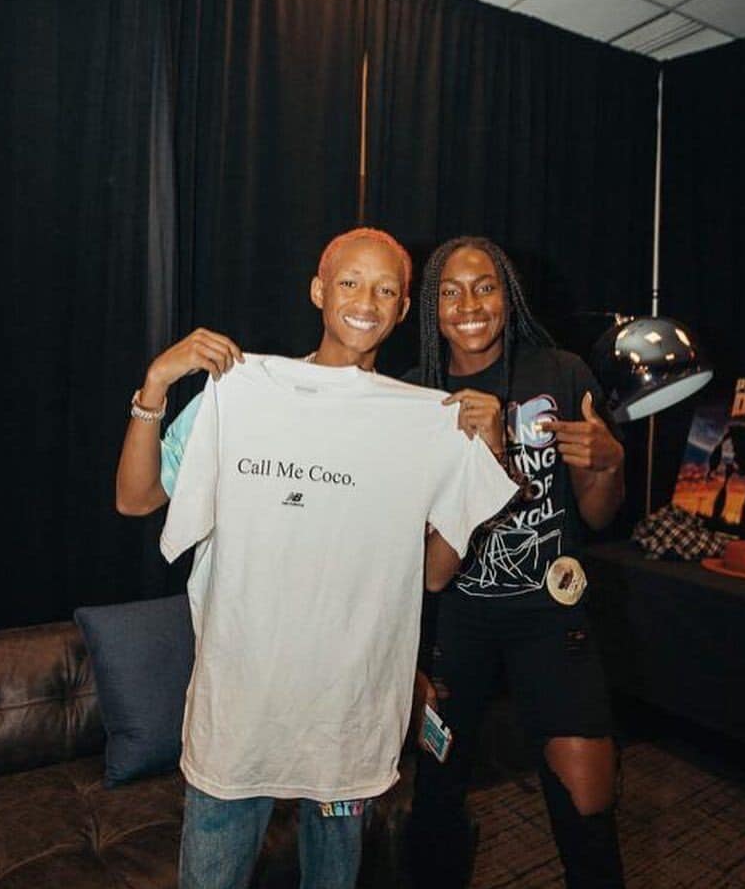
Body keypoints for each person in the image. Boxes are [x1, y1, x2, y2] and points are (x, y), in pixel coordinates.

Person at [115, 228, 519, 889]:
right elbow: (135, 501)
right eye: (351, 282)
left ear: (402, 306)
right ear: (318, 290)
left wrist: (488, 456)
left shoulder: (420, 422)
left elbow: (435, 572)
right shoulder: (239, 394)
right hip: (239, 705)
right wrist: (156, 385)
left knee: (333, 876)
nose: (367, 300)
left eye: (386, 288)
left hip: (348, 712)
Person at [406, 236, 626, 889]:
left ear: (510, 295)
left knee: (589, 806)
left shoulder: (560, 373)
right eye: (450, 290)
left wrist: (609, 464)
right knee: (437, 803)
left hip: (551, 614)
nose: (469, 303)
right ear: (430, 307)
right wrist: (488, 454)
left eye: (484, 286)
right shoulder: (417, 395)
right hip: (454, 622)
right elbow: (419, 557)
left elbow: (596, 514)